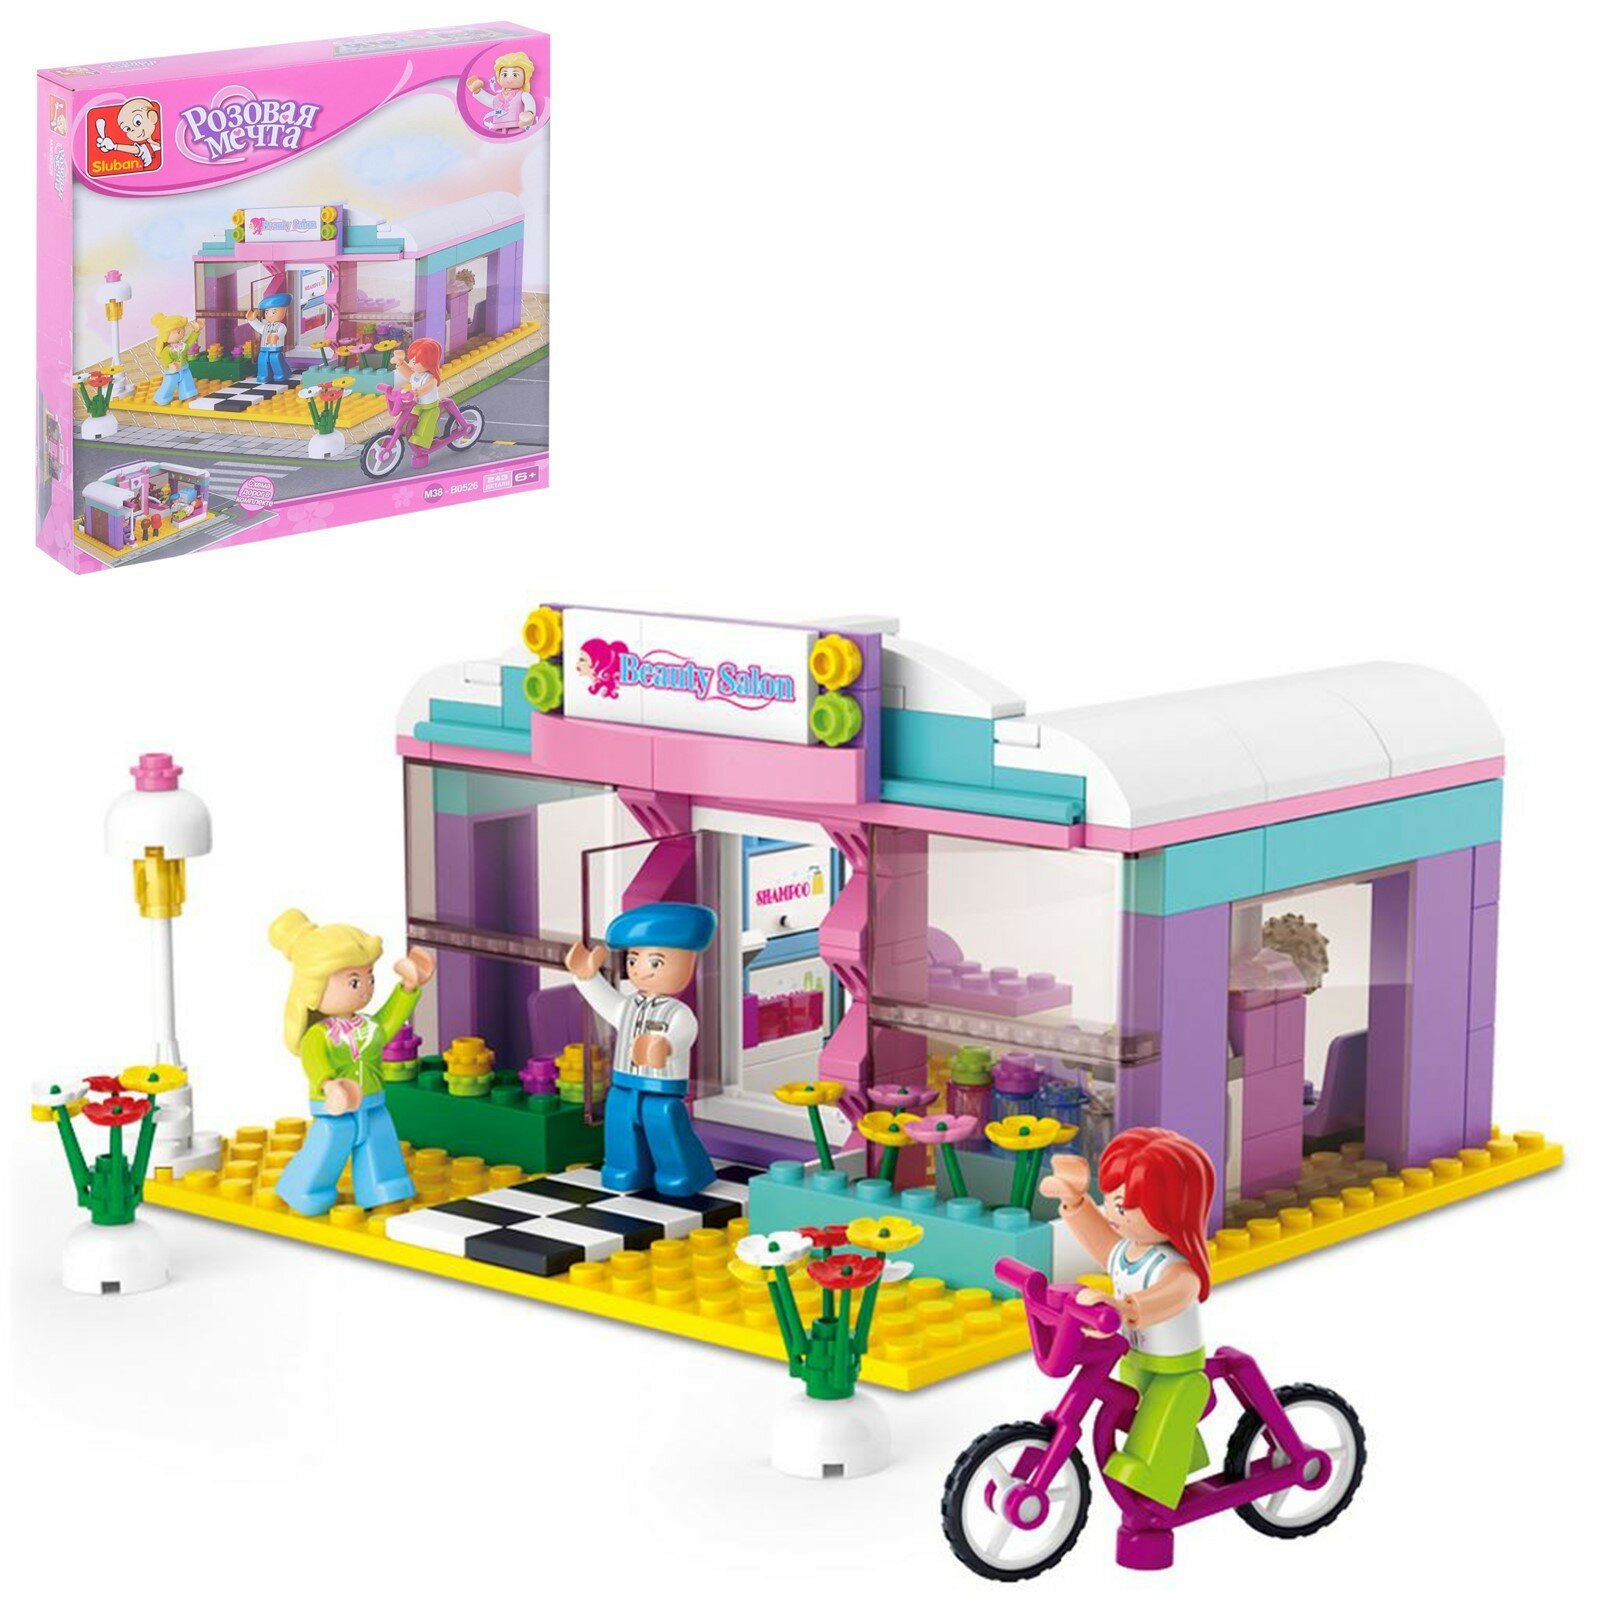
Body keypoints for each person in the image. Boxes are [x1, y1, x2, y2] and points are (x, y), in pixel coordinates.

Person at [1041, 1127, 1215, 1509]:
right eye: (1109, 1200)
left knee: (1164, 1413)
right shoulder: (1128, 1252)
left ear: (1170, 1210)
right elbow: (1098, 1239)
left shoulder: (1173, 1266)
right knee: (1145, 1417)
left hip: (1177, 1369)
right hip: (1135, 1359)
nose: (1112, 1213)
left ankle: (1152, 1492)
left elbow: (1177, 1292)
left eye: (1123, 1207)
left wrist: (1127, 1307)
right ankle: (1182, 1455)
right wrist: (1075, 1202)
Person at [269, 909, 435, 1216]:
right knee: (328, 1146)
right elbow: (314, 1063)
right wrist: (328, 1085)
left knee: (379, 1141)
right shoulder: (318, 1035)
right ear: (314, 989)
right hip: (336, 1106)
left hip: (372, 1101)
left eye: (369, 977)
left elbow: (389, 1021)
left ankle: (385, 1190)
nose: (367, 988)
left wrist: (408, 988)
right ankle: (303, 1189)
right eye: (355, 981)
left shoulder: (367, 1027)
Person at [566, 901, 718, 1197]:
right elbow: (605, 1003)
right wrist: (587, 977)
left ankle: (681, 1174)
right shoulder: (629, 1006)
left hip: (662, 1087)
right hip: (624, 1082)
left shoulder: (677, 1012)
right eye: (633, 960)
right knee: (619, 1120)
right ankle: (625, 1168)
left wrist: (666, 1046)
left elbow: (684, 1033)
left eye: (655, 963)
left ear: (688, 965)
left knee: (664, 1122)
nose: (640, 971)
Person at [390, 338, 444, 463]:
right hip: (417, 404)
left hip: (429, 406)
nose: (412, 363)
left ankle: (422, 444)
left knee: (425, 423)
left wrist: (416, 392)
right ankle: (427, 433)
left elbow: (427, 387)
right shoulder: (415, 375)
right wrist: (400, 363)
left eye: (416, 361)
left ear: (429, 362)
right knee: (409, 418)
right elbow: (407, 373)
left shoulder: (431, 378)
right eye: (411, 360)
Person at [465, 51, 538, 131]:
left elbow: (529, 104)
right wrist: (478, 91)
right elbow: (490, 101)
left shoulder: (523, 95)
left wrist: (528, 113)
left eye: (515, 75)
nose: (509, 79)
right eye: (505, 74)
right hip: (498, 126)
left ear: (525, 78)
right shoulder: (498, 97)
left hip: (517, 125)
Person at [151, 314, 199, 406]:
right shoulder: (166, 350)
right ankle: (162, 398)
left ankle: (188, 395)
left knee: (187, 382)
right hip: (173, 372)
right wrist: (170, 364)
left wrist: (196, 331)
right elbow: (165, 358)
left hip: (184, 368)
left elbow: (190, 342)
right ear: (166, 335)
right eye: (178, 331)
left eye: (182, 329)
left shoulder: (182, 345)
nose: (182, 332)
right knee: (169, 384)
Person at [246, 293, 293, 383]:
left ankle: (281, 373)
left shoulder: (280, 326)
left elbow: (282, 331)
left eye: (273, 312)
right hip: (264, 348)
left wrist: (276, 336)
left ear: (284, 311)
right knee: (262, 359)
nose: (269, 315)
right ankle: (263, 375)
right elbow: (258, 327)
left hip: (276, 349)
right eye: (267, 312)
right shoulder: (265, 326)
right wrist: (252, 320)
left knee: (276, 359)